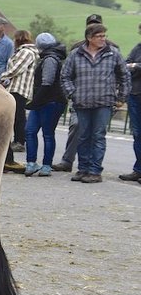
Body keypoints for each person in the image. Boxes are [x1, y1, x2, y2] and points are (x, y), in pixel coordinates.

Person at [61, 22, 127, 184]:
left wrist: (121, 97)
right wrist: (72, 94)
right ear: (89, 38)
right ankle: (83, 169)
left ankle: (95, 171)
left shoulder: (113, 54)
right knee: (83, 136)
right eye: (99, 36)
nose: (103, 39)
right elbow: (65, 76)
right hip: (82, 101)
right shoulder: (76, 54)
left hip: (104, 102)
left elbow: (124, 76)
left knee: (98, 136)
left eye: (104, 35)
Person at [56, 14, 111, 173]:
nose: (92, 26)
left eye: (96, 24)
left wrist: (115, 95)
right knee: (77, 126)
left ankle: (92, 167)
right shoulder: (77, 47)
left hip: (102, 98)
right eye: (90, 24)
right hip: (80, 96)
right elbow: (67, 73)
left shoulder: (111, 48)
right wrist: (72, 92)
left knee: (97, 134)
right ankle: (68, 160)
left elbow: (118, 72)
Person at [24, 32, 67, 177]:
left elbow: (47, 82)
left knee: (46, 134)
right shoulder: (52, 57)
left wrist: (34, 102)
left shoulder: (50, 59)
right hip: (45, 101)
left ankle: (46, 165)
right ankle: (32, 162)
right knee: (30, 131)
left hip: (50, 101)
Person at [0, 30, 37, 173]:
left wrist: (1, 77)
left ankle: (16, 145)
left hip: (17, 89)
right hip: (15, 89)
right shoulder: (24, 51)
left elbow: (16, 69)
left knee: (14, 120)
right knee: (15, 119)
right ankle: (9, 155)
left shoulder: (26, 52)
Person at [124, 23, 141, 184]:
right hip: (135, 95)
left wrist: (135, 66)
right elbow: (125, 63)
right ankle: (138, 170)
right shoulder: (138, 47)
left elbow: (131, 65)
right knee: (137, 134)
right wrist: (133, 65)